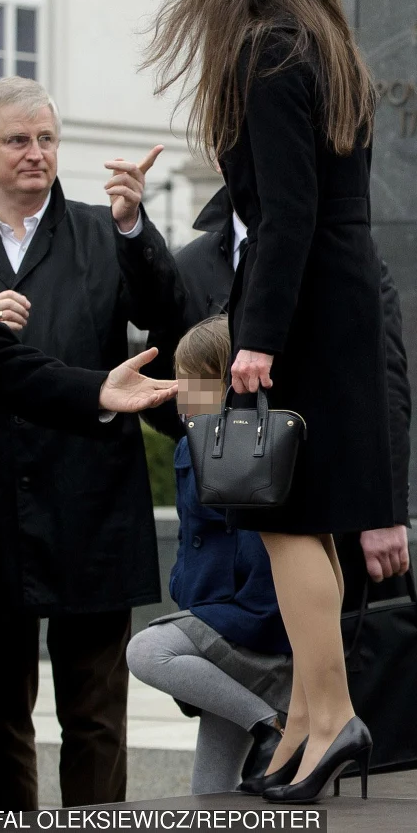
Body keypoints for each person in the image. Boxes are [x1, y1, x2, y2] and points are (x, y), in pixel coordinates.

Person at [144, 0, 404, 804]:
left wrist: (255, 336)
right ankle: (306, 717)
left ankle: (328, 716)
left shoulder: (265, 49)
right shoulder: (333, 53)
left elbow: (286, 212)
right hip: (341, 297)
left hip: (299, 307)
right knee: (316, 516)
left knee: (287, 519)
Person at [0, 76, 186, 809]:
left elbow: (170, 315)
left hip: (92, 501)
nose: (35, 153)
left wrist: (134, 229)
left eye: (46, 139)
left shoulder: (99, 230)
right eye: (18, 140)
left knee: (93, 717)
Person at [145, 183, 413, 594]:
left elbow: (385, 384)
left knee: (335, 648)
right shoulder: (192, 264)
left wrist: (387, 511)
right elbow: (175, 392)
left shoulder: (348, 258)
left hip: (327, 504)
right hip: (224, 547)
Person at [126, 316, 295, 795]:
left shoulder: (251, 449)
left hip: (247, 628)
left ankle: (273, 725)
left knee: (146, 650)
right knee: (210, 794)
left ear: (227, 382)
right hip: (219, 622)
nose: (181, 396)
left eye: (192, 383)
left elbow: (256, 555)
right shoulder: (191, 447)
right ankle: (267, 720)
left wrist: (212, 622)